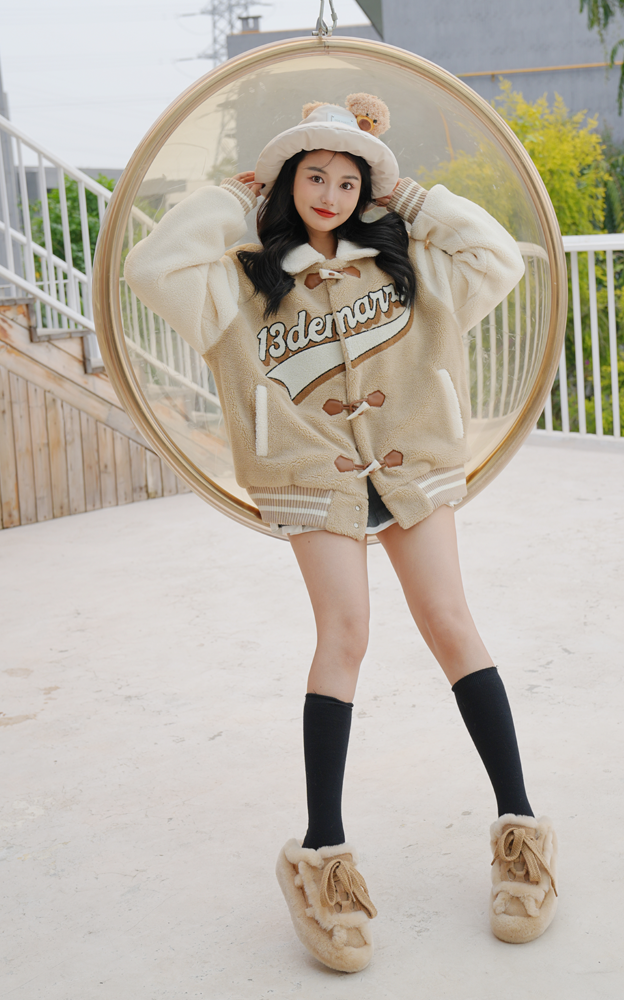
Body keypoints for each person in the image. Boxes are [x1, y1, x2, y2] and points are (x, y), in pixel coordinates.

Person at [124, 93, 558, 972]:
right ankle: (322, 855)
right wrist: (236, 199)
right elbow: (149, 266)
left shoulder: (408, 266)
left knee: (452, 624)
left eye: (349, 180)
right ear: (286, 181)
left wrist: (411, 198)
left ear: (370, 191)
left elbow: (493, 256)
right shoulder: (239, 279)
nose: (330, 193)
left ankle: (521, 829)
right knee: (346, 635)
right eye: (313, 175)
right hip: (308, 476)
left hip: (411, 467)